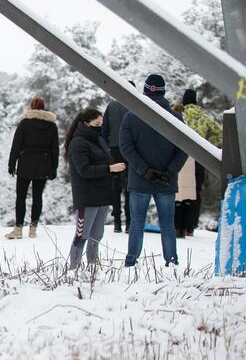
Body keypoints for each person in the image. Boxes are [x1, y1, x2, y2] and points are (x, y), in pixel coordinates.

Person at [120, 74, 188, 267]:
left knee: (137, 224)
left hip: (140, 180)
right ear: (164, 91)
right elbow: (184, 148)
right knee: (167, 225)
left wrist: (144, 170)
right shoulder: (175, 118)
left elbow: (126, 147)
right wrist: (170, 171)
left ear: (145, 90)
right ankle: (172, 261)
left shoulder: (132, 116)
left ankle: (131, 261)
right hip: (166, 181)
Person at [65, 108, 126, 269]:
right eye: (96, 123)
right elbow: (83, 170)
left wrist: (114, 170)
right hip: (87, 196)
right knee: (82, 235)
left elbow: (105, 161)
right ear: (86, 123)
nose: (100, 126)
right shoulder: (78, 142)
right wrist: (109, 169)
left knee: (97, 235)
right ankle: (74, 268)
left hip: (103, 194)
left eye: (101, 123)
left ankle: (93, 267)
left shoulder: (98, 140)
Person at [6, 97, 59, 239]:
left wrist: (12, 163)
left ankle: (18, 229)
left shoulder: (24, 123)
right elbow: (55, 149)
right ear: (44, 107)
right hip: (44, 164)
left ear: (31, 107)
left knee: (21, 197)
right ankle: (33, 229)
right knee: (37, 197)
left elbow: (16, 145)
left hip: (25, 164)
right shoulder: (52, 126)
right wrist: (54, 167)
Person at [181, 88, 222, 236]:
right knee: (196, 192)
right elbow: (219, 131)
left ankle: (180, 226)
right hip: (199, 157)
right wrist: (209, 143)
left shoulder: (180, 114)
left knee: (180, 192)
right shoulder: (204, 116)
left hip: (181, 156)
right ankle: (191, 227)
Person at [101, 81, 135, 233]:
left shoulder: (112, 106)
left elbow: (104, 129)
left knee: (116, 187)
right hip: (132, 150)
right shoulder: (137, 107)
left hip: (114, 149)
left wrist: (107, 147)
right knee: (129, 187)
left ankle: (117, 223)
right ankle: (129, 222)